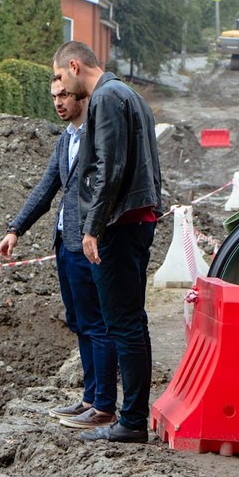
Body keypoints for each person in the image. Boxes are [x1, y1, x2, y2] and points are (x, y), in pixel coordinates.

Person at [52, 41, 163, 444]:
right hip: (136, 219)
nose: (60, 89)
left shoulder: (106, 98)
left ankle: (130, 422)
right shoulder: (129, 95)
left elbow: (108, 170)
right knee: (131, 323)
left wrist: (92, 227)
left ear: (75, 66)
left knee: (123, 325)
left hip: (120, 225)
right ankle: (132, 417)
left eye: (60, 77)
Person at [0, 77, 119, 430]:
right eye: (53, 96)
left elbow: (108, 187)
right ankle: (89, 400)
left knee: (97, 324)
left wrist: (94, 230)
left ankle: (104, 406)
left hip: (89, 243)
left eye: (64, 95)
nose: (58, 102)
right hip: (64, 242)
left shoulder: (97, 136)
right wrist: (15, 229)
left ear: (81, 94)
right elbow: (46, 187)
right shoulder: (66, 139)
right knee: (79, 322)